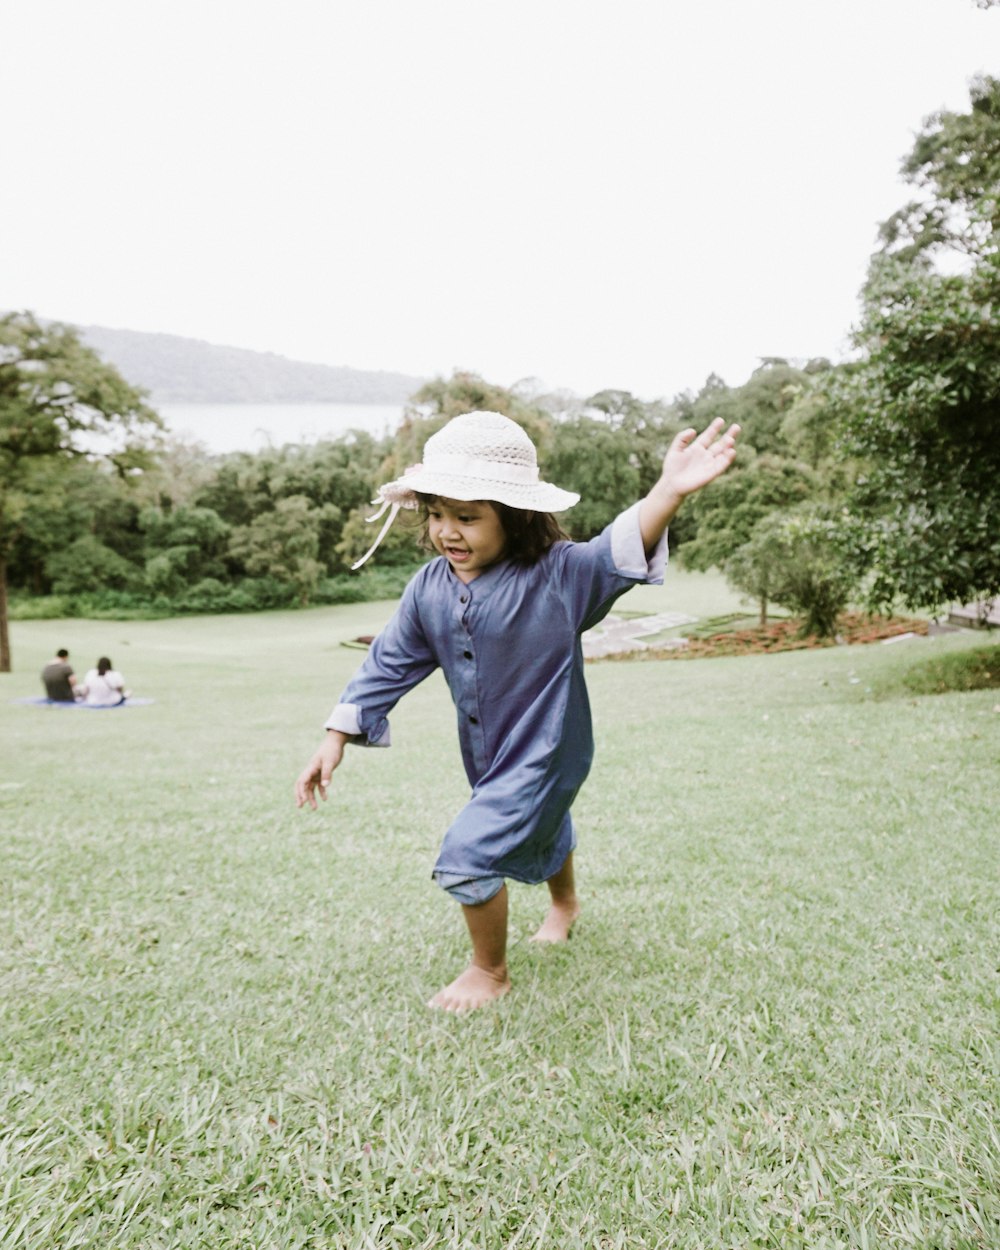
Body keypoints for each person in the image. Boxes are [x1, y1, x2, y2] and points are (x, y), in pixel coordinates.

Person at [295, 410, 740, 1013]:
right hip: (488, 751)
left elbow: (615, 549)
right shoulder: (429, 586)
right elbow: (389, 661)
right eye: (436, 514)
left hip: (549, 748)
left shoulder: (557, 575)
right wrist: (335, 736)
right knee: (545, 825)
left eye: (468, 516)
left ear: (515, 515)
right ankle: (565, 905)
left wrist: (667, 491)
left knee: (469, 853)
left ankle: (490, 972)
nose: (447, 531)